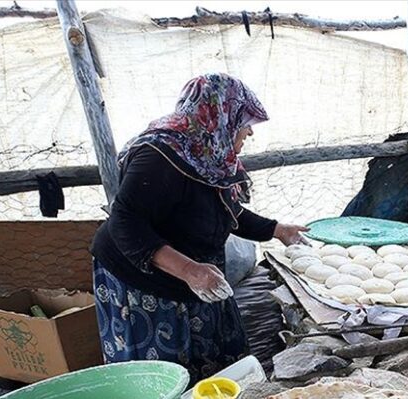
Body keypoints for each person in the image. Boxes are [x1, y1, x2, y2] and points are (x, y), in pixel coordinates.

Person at [91, 73, 309, 382]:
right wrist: (190, 271)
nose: (248, 131)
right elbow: (124, 222)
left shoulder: (209, 155)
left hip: (192, 269)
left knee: (217, 356)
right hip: (143, 277)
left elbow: (227, 211)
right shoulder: (161, 153)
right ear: (220, 114)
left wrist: (278, 229)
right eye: (244, 122)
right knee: (167, 372)